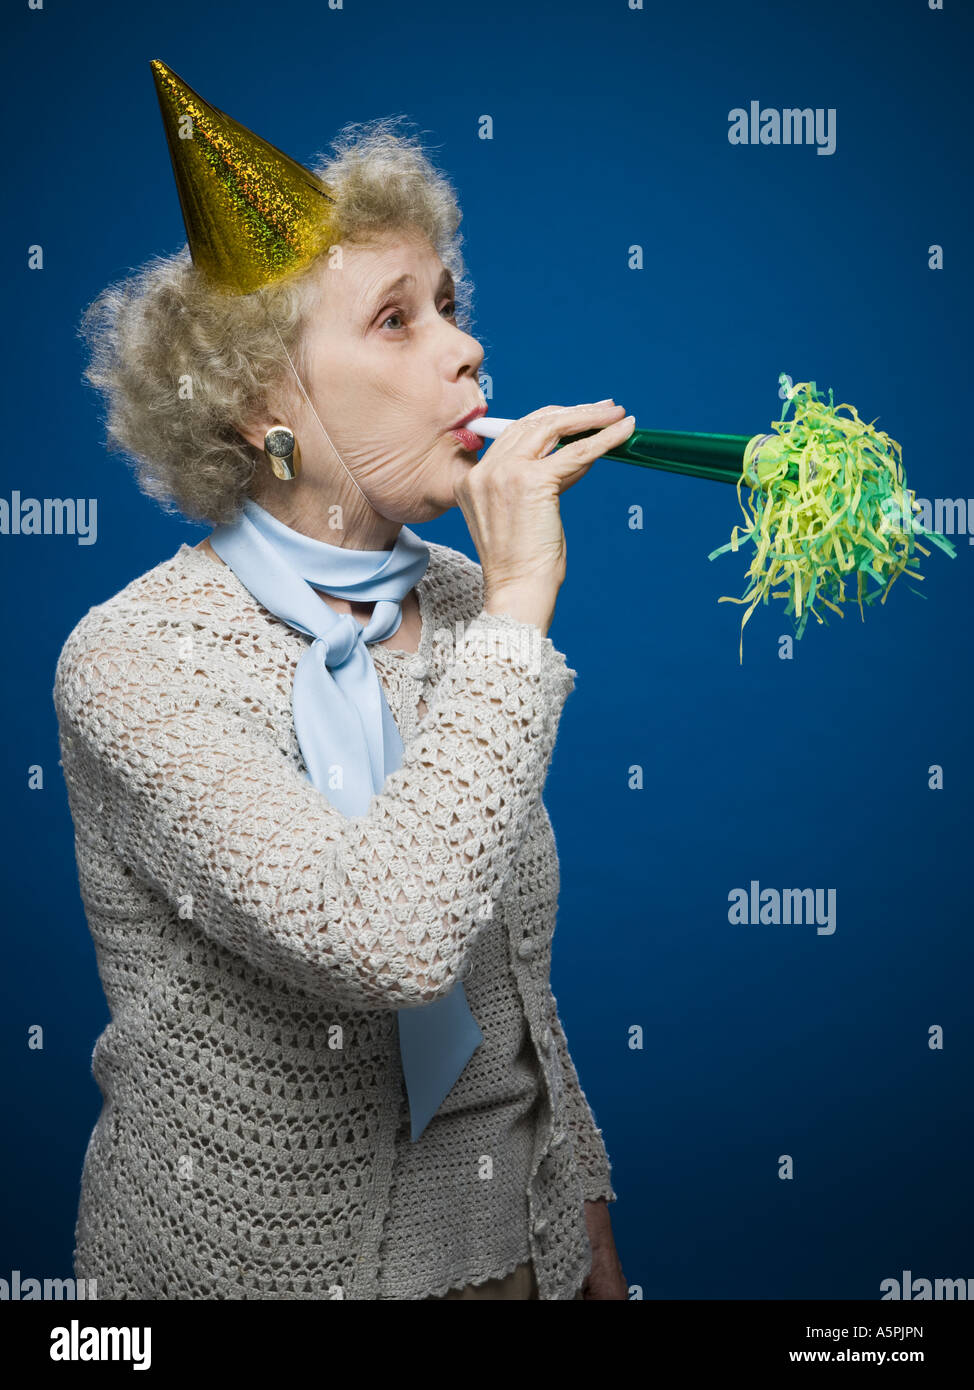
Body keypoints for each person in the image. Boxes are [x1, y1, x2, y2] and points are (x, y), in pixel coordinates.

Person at [52, 62, 632, 1300]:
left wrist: (579, 1214)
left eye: (450, 301)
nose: (468, 346)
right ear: (267, 403)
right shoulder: (132, 661)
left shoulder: (464, 605)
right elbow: (385, 937)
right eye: (395, 318)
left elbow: (508, 976)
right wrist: (525, 605)